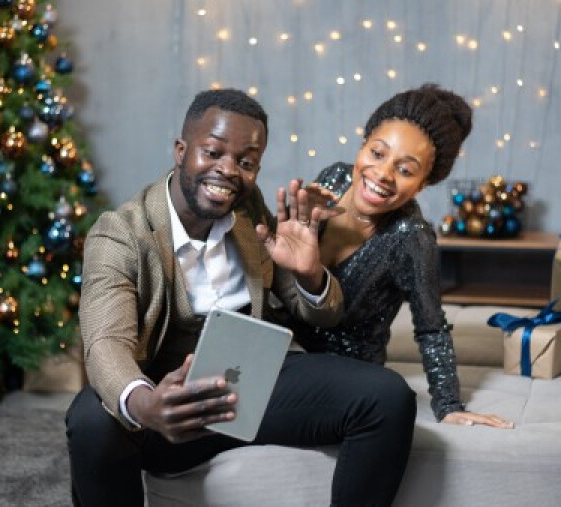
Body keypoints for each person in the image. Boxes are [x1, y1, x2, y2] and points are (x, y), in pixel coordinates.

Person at [66, 88, 418, 506]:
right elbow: (106, 342)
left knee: (389, 399)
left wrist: (308, 271)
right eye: (213, 153)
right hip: (169, 399)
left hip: (251, 380)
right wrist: (145, 405)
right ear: (181, 150)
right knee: (90, 420)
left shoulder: (249, 209)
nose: (228, 170)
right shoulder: (121, 233)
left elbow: (320, 313)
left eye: (246, 162)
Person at [295, 84, 515, 428]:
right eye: (377, 152)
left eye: (406, 170)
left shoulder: (411, 238)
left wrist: (449, 405)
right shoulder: (333, 179)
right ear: (363, 144)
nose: (382, 174)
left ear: (424, 183)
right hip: (287, 350)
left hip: (345, 374)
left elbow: (432, 329)